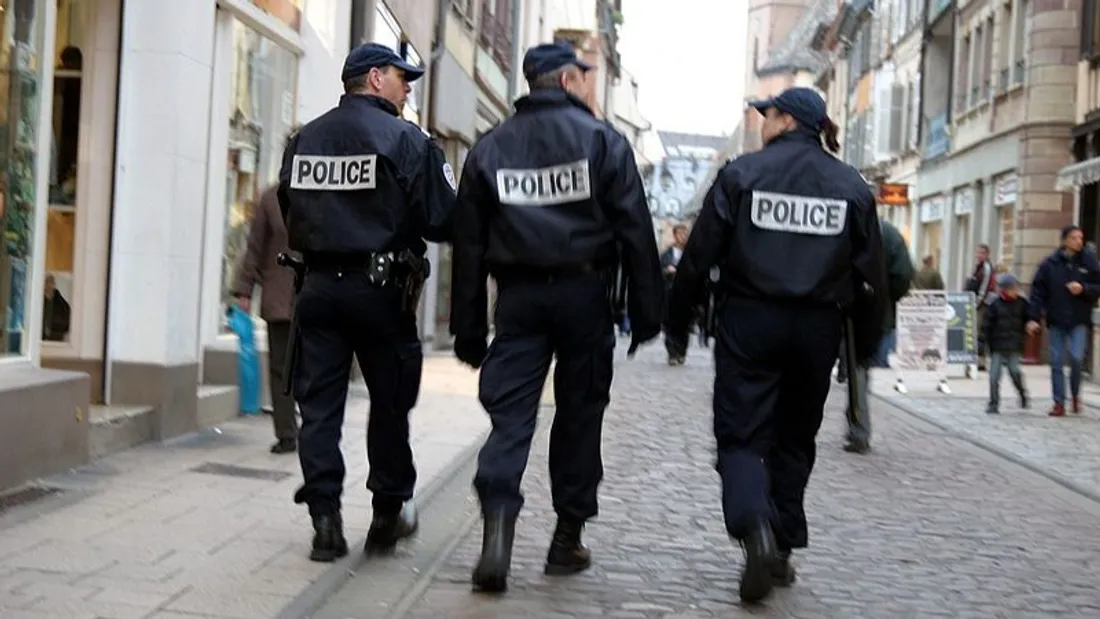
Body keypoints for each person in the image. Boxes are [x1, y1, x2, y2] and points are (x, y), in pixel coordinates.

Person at [449, 41, 664, 594]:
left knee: (511, 417)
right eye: (585, 77)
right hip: (584, 294)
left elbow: (468, 248)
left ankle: (496, 535)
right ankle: (566, 538)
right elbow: (637, 232)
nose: (590, 86)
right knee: (579, 414)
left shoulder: (490, 147)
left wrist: (469, 327)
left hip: (518, 299)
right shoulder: (603, 141)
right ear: (567, 80)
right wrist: (647, 312)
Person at [664, 87, 887, 604]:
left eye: (768, 113)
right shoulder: (850, 186)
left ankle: (754, 527)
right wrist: (865, 349)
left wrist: (677, 322)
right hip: (817, 329)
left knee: (741, 436)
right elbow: (870, 277)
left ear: (787, 120)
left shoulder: (743, 175)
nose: (761, 120)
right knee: (794, 438)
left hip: (750, 320)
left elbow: (697, 259)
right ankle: (781, 546)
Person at [278, 43, 457, 562]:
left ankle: (325, 521)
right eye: (403, 78)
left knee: (319, 409)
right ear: (375, 78)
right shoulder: (407, 141)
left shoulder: (304, 139)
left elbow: (288, 205)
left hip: (318, 290)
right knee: (390, 404)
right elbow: (445, 220)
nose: (408, 88)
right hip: (381, 293)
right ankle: (386, 514)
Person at [234, 140, 302, 454]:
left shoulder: (324, 198)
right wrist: (244, 289)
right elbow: (255, 247)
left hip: (318, 298)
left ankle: (313, 429)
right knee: (281, 368)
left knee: (313, 369)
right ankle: (287, 432)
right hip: (280, 300)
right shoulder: (270, 198)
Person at [843, 217, 912, 454]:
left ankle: (859, 429)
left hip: (848, 309)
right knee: (861, 366)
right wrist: (886, 298)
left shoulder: (849, 226)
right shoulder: (891, 234)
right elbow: (903, 276)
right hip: (879, 311)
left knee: (856, 368)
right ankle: (856, 423)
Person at [1026, 225, 1100, 417]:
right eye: (1074, 238)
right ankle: (1058, 402)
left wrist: (1083, 288)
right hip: (1057, 319)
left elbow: (1098, 286)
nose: (1079, 241)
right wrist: (1034, 318)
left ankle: (1075, 395)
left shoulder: (1089, 262)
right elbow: (1037, 292)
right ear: (1064, 240)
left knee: (1076, 359)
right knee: (1057, 362)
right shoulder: (1050, 264)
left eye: (1081, 238)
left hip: (1079, 320)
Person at [980, 273, 1030, 414]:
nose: (1016, 291)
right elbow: (986, 325)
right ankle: (993, 403)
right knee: (994, 376)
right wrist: (981, 343)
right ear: (1004, 290)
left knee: (1014, 371)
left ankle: (1022, 393)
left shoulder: (1022, 303)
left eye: (1016, 288)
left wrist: (1032, 325)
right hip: (997, 346)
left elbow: (1030, 318)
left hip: (1014, 345)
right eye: (1013, 289)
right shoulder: (995, 305)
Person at [661, 224, 689, 365]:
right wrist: (667, 270)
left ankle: (681, 351)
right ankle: (672, 352)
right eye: (680, 234)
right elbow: (660, 269)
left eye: (685, 234)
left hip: (685, 293)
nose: (683, 237)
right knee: (669, 323)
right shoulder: (668, 253)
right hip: (670, 292)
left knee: (684, 324)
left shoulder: (690, 253)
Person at [966, 244, 997, 370]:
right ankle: (977, 359)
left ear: (987, 254)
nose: (979, 255)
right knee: (977, 331)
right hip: (977, 302)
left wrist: (978, 302)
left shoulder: (987, 268)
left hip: (983, 304)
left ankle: (981, 361)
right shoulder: (978, 267)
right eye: (978, 252)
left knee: (980, 331)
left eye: (982, 253)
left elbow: (984, 286)